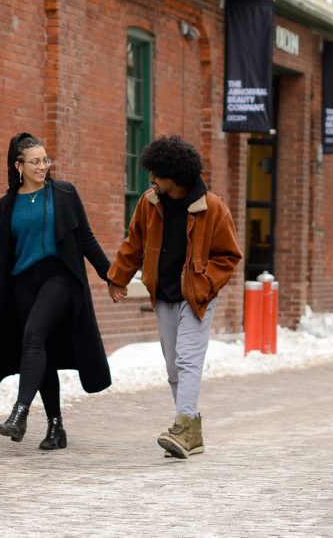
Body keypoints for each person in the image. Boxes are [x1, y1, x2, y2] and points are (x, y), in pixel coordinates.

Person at [0, 132, 113, 450]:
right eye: (35, 161)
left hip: (58, 278)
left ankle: (19, 414)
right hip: (22, 284)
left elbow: (86, 239)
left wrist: (111, 277)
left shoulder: (64, 194)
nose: (43, 166)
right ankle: (55, 426)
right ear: (18, 166)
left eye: (45, 160)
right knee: (41, 353)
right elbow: (2, 257)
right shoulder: (6, 206)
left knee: (34, 335)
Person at [108, 135, 242, 459]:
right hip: (164, 295)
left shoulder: (213, 209)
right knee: (173, 367)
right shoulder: (149, 203)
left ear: (176, 176)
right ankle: (190, 431)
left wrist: (205, 284)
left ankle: (183, 424)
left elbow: (229, 255)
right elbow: (134, 243)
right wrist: (118, 278)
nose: (151, 179)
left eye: (157, 173)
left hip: (196, 297)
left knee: (188, 358)